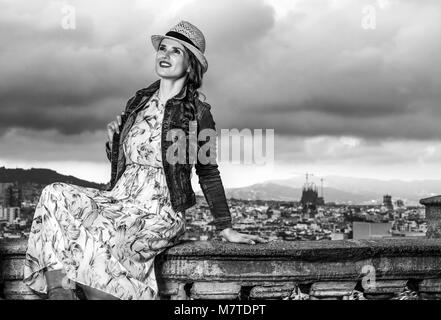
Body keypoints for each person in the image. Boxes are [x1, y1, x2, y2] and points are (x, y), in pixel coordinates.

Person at [23, 20, 267, 300]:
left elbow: (208, 171)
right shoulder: (138, 102)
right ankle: (59, 292)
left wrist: (225, 226)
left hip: (159, 210)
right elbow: (126, 160)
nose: (165, 55)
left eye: (176, 51)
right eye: (162, 48)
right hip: (121, 198)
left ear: (190, 65)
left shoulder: (198, 114)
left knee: (107, 243)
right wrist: (114, 141)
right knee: (54, 193)